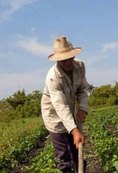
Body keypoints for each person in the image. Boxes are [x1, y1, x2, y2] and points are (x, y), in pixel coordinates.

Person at [41, 36, 88, 172]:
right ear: (58, 59)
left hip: (70, 110)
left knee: (77, 150)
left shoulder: (80, 66)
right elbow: (60, 106)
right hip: (54, 115)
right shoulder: (53, 77)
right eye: (63, 59)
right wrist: (74, 131)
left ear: (73, 55)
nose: (67, 62)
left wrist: (82, 108)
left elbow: (83, 89)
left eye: (69, 57)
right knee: (63, 155)